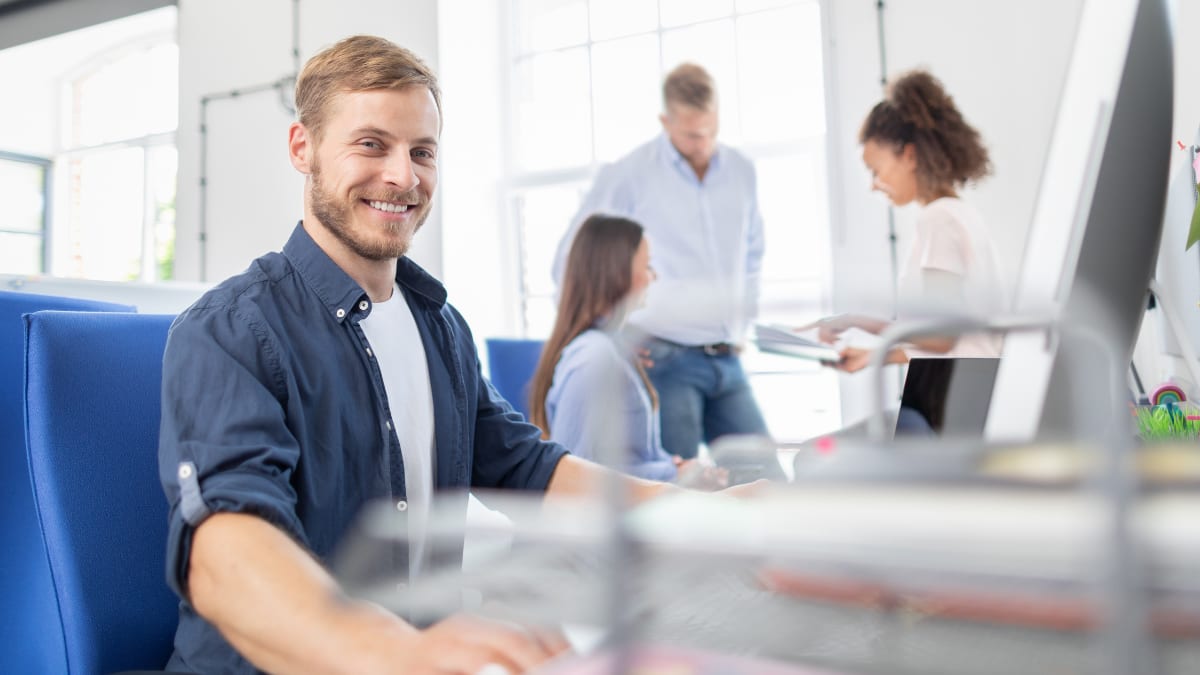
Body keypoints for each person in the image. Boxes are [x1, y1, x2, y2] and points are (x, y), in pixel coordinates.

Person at [157, 36, 710, 675]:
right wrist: (399, 653)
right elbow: (226, 549)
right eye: (371, 144)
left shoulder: (441, 325)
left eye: (422, 152)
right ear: (302, 148)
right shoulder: (231, 330)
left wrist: (707, 517)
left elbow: (527, 469)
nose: (403, 175)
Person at [551, 62, 769, 461]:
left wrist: (745, 319)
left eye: (709, 131)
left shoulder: (741, 170)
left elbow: (753, 253)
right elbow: (573, 257)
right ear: (665, 120)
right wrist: (609, 336)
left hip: (728, 355)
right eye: (690, 134)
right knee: (674, 492)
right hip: (665, 359)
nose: (702, 142)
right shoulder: (630, 174)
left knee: (766, 479)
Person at [810, 69, 1005, 373]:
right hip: (969, 385)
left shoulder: (939, 219)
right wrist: (873, 356)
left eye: (876, 170)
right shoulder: (959, 213)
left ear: (910, 156)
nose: (874, 184)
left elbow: (940, 337)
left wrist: (851, 320)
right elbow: (948, 340)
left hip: (952, 394)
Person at [529, 214, 727, 487]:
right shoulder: (594, 358)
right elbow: (578, 476)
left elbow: (625, 459)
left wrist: (675, 468)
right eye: (647, 266)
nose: (653, 276)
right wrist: (675, 475)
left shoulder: (611, 349)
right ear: (617, 271)